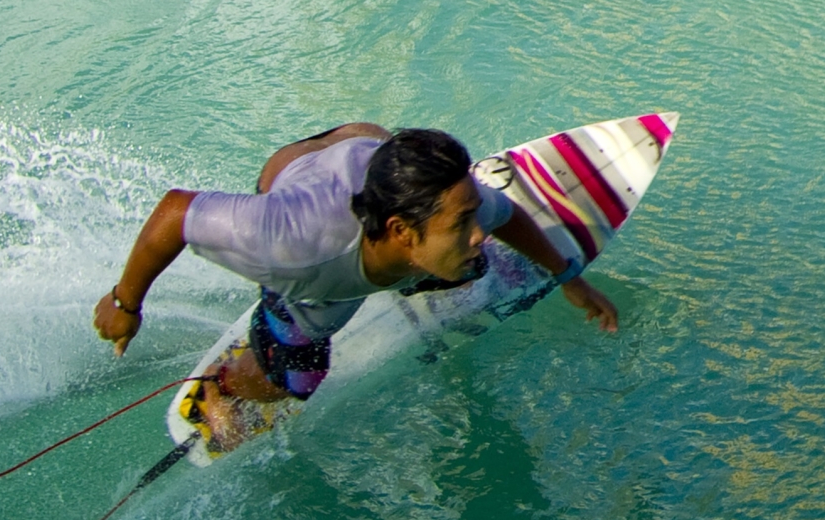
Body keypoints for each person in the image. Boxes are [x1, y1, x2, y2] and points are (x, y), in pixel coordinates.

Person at [94, 124, 618, 448]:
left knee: (469, 266)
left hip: (368, 152)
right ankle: (227, 389)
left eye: (471, 213)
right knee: (298, 378)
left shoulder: (453, 217)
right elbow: (175, 213)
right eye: (462, 222)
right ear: (399, 232)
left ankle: (424, 270)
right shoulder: (293, 248)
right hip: (306, 180)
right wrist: (125, 303)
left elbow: (506, 217)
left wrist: (568, 277)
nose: (479, 230)